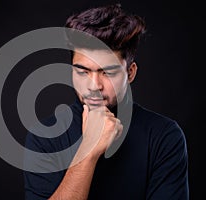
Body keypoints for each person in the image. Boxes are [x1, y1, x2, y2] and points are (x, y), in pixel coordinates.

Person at [23, 3, 189, 200]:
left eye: (107, 72)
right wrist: (88, 151)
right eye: (83, 71)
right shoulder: (44, 136)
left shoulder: (164, 136)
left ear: (131, 72)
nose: (94, 86)